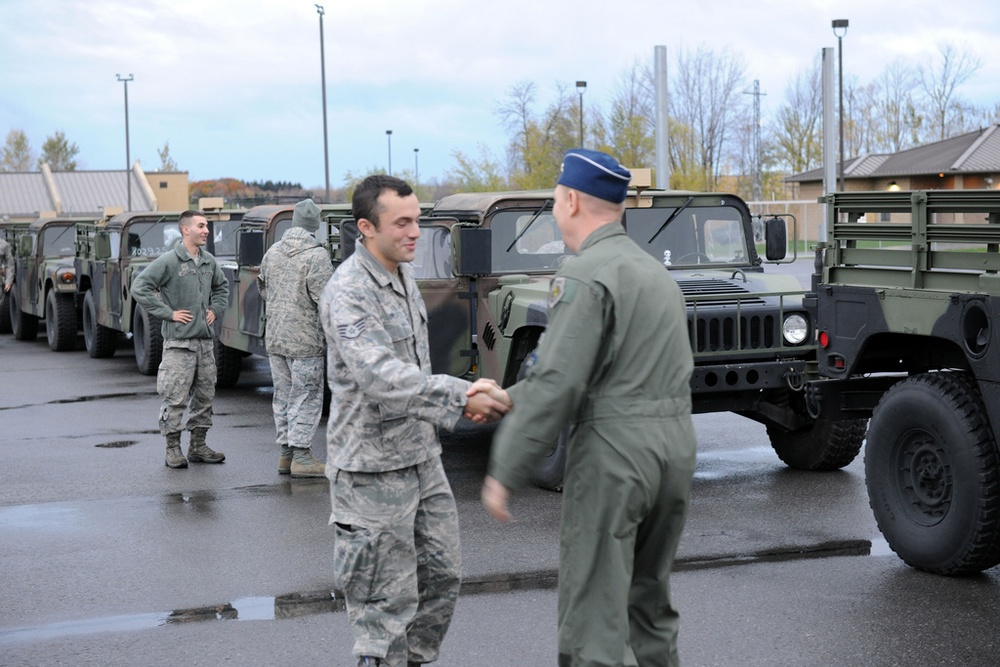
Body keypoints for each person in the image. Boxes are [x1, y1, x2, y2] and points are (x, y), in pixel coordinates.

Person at [480, 149, 697, 667]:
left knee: (594, 623)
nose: (555, 209)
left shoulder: (585, 274)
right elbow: (619, 366)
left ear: (572, 200)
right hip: (673, 451)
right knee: (649, 608)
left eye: (555, 199)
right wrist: (513, 397)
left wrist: (505, 469)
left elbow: (559, 379)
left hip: (616, 456)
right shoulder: (653, 273)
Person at [320, 174, 509, 667]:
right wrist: (462, 393)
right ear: (366, 227)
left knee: (443, 580)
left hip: (422, 459)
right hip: (370, 472)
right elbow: (379, 375)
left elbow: (411, 372)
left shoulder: (402, 276)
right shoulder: (348, 291)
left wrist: (461, 395)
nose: (415, 233)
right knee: (387, 608)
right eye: (401, 223)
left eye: (417, 221)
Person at [132, 210, 230, 469]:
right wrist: (168, 313)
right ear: (186, 230)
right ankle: (172, 449)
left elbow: (222, 288)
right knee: (175, 398)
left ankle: (198, 445)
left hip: (205, 345)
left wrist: (215, 310)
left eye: (207, 225)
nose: (206, 230)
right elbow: (139, 287)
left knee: (205, 397)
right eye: (201, 225)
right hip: (179, 346)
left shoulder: (208, 261)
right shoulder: (169, 261)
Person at [257, 198, 332, 478]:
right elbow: (326, 299)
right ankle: (302, 456)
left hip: (276, 337)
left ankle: (286, 454)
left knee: (284, 396)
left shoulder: (273, 252)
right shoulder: (317, 256)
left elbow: (262, 286)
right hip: (305, 342)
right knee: (308, 396)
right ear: (316, 226)